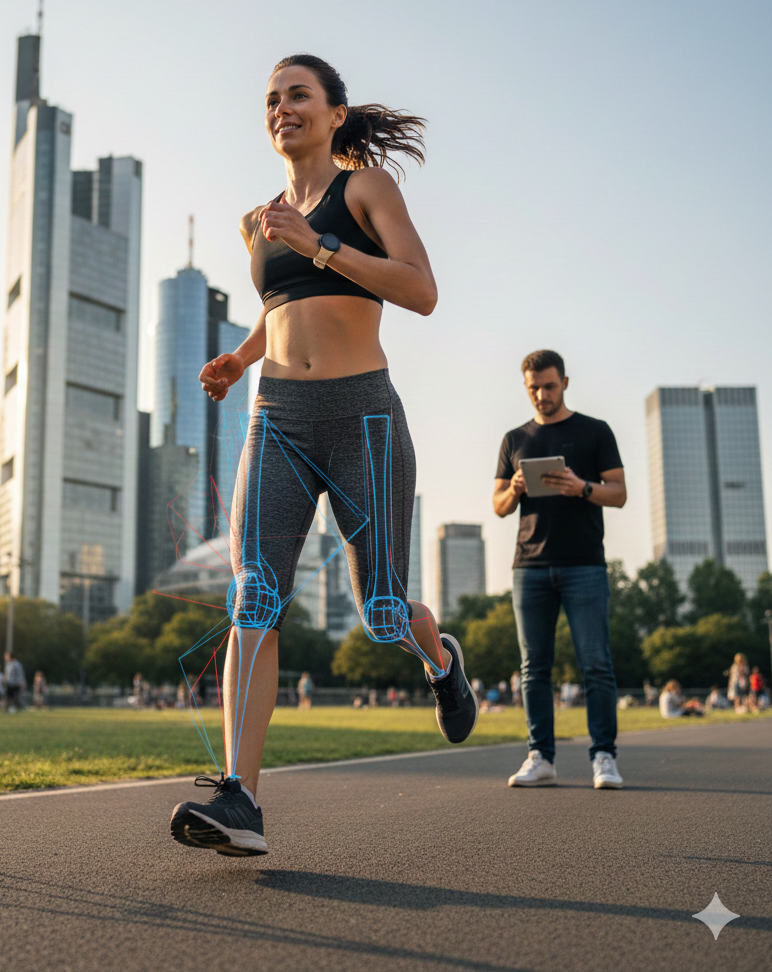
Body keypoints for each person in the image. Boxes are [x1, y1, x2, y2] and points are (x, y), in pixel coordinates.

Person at [169, 54, 478, 859]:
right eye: (271, 99)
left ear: (335, 112)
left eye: (298, 95)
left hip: (361, 416)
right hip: (277, 415)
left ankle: (440, 659)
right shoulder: (257, 219)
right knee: (253, 596)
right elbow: (282, 311)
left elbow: (420, 290)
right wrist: (239, 359)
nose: (282, 108)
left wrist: (320, 244)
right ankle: (241, 800)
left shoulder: (366, 187)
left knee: (381, 611)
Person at [493, 350, 627, 790]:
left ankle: (604, 756)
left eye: (549, 386)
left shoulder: (595, 431)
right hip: (529, 566)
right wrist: (513, 490)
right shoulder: (514, 439)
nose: (541, 395)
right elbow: (497, 507)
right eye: (533, 387)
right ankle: (541, 757)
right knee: (534, 668)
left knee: (596, 665)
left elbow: (619, 492)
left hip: (584, 563)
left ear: (565, 382)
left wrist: (581, 487)